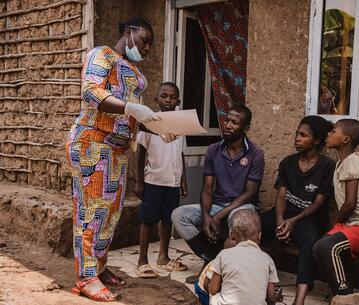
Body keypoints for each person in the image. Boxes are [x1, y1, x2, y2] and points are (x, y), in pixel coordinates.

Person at [67, 17, 174, 302]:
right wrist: (130, 107)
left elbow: (135, 114)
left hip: (117, 149)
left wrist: (160, 130)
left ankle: (99, 268)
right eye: (144, 40)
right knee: (91, 212)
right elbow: (91, 92)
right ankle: (85, 278)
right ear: (128, 33)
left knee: (109, 214)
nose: (147, 47)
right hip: (93, 142)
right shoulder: (102, 54)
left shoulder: (131, 68)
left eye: (151, 43)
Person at [171, 105, 264, 263]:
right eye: (226, 120)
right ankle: (211, 258)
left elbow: (250, 193)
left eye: (234, 122)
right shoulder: (214, 150)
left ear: (246, 128)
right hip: (218, 204)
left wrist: (219, 216)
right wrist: (207, 216)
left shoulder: (255, 153)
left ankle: (237, 266)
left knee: (241, 221)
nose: (227, 125)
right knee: (179, 215)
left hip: (243, 206)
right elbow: (207, 188)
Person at [261, 115, 335, 305]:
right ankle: (247, 279)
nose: (297, 138)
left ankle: (299, 299)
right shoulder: (288, 162)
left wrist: (294, 222)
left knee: (309, 241)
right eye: (296, 134)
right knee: (252, 226)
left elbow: (319, 203)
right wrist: (279, 220)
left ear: (317, 140)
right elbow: (281, 195)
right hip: (283, 214)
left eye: (303, 135)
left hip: (309, 218)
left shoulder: (327, 166)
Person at [313, 119, 359, 296]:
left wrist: (335, 222)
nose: (328, 134)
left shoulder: (352, 161)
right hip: (353, 223)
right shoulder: (342, 163)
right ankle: (340, 289)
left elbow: (350, 202)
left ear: (346, 139)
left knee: (327, 247)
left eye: (333, 132)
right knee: (318, 248)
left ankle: (344, 296)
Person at [134, 82, 188, 277]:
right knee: (147, 220)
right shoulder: (150, 122)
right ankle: (142, 260)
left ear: (178, 101)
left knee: (168, 220)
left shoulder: (180, 125)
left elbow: (180, 153)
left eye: (172, 97)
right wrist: (139, 181)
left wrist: (183, 180)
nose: (168, 100)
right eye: (164, 96)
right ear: (156, 100)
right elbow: (140, 153)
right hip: (153, 181)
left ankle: (163, 257)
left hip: (172, 183)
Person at [208, 209, 280, 305]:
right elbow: (271, 298)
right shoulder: (267, 259)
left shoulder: (223, 255)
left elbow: (213, 289)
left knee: (214, 295)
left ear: (231, 235)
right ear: (259, 236)